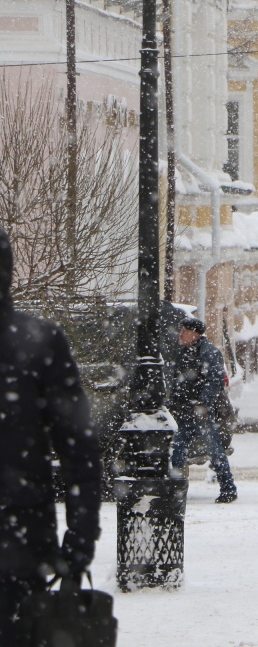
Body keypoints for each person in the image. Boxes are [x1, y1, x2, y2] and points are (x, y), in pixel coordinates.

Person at [0, 226, 102, 643]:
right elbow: (79, 448)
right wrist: (79, 538)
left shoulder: (37, 344)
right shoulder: (38, 343)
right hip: (20, 539)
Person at [169, 316, 237, 503]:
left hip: (201, 414)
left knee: (214, 450)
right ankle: (177, 490)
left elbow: (214, 382)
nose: (181, 334)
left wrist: (203, 405)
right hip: (185, 412)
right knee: (179, 449)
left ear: (196, 334)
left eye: (185, 331)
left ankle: (228, 488)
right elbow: (177, 382)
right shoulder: (182, 352)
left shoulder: (208, 353)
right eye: (181, 330)